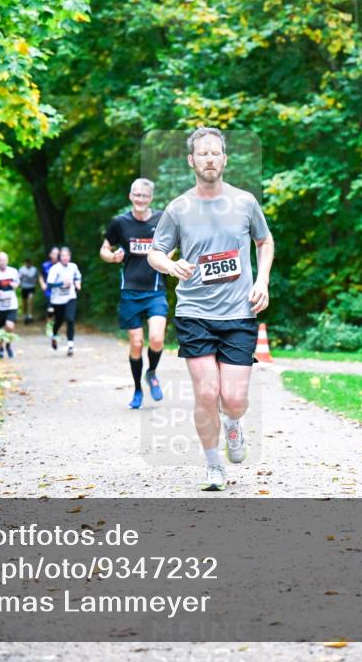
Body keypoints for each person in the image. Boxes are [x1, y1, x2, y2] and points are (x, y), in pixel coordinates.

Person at [148, 127, 274, 492]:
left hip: (239, 312)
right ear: (191, 160)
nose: (209, 159)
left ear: (224, 158)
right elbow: (156, 252)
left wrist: (262, 280)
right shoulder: (178, 208)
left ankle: (233, 424)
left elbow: (264, 241)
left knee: (233, 400)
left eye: (215, 153)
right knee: (206, 393)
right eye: (202, 153)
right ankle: (213, 466)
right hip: (194, 312)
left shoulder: (245, 202)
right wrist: (170, 265)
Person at [100, 178, 168, 410]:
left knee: (157, 338)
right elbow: (104, 249)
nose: (140, 199)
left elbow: (175, 244)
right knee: (137, 343)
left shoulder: (161, 220)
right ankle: (138, 388)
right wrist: (111, 257)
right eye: (136, 195)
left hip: (155, 289)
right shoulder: (120, 223)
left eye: (145, 196)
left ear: (151, 198)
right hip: (130, 290)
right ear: (131, 196)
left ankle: (152, 373)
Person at [46, 246, 82, 356]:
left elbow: (77, 276)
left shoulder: (73, 266)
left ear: (70, 256)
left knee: (70, 319)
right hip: (57, 300)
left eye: (67, 256)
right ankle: (54, 335)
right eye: (63, 256)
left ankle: (70, 346)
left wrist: (77, 283)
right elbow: (49, 284)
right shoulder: (55, 269)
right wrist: (62, 284)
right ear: (59, 257)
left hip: (70, 297)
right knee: (59, 321)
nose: (65, 258)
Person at [38, 247, 60, 337]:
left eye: (57, 254)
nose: (55, 256)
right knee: (50, 310)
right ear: (50, 255)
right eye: (54, 253)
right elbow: (40, 275)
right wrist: (42, 284)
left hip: (59, 291)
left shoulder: (61, 266)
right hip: (49, 291)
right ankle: (49, 326)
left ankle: (55, 329)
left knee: (58, 311)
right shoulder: (45, 265)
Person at [18, 258, 37, 324]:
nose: (28, 264)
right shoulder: (21, 269)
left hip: (31, 287)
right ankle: (25, 315)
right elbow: (19, 278)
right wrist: (19, 285)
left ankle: (30, 315)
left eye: (29, 262)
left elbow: (36, 277)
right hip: (24, 287)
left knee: (30, 301)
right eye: (27, 262)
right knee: (25, 302)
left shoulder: (34, 269)